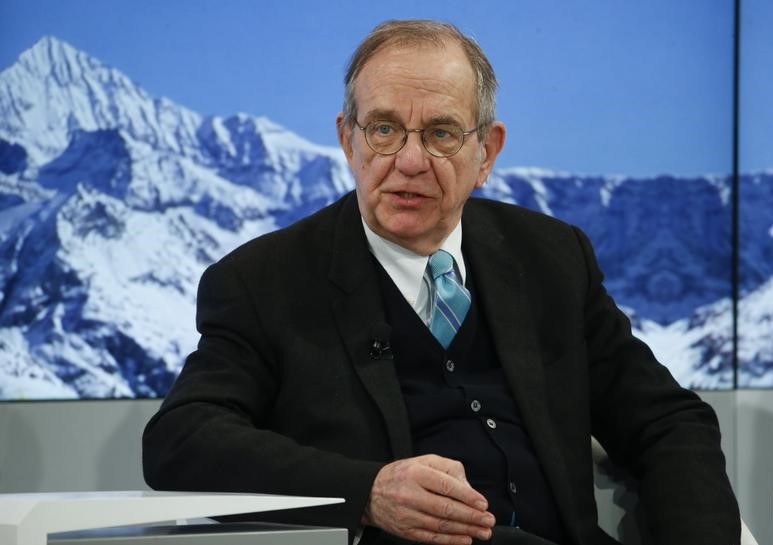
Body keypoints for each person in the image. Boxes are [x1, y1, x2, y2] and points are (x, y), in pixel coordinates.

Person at [142, 19, 740, 545]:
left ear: (487, 152)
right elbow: (182, 439)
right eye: (382, 130)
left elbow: (667, 421)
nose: (408, 160)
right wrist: (369, 492)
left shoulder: (551, 257)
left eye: (440, 133)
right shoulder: (263, 281)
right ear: (347, 139)